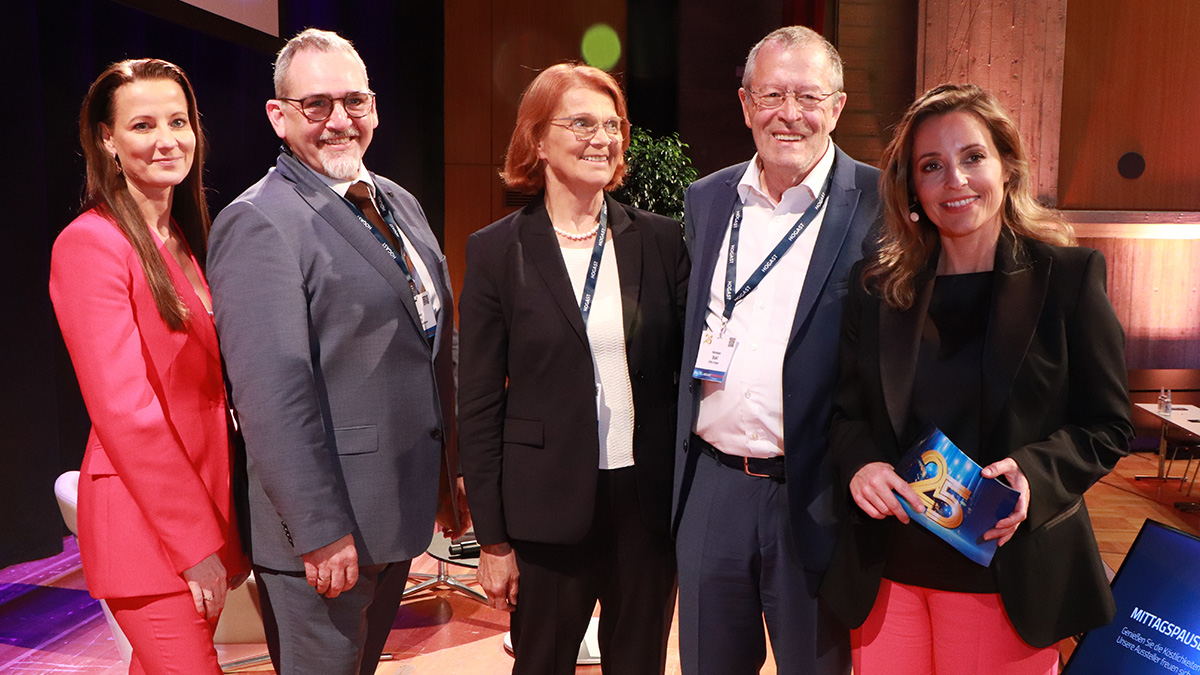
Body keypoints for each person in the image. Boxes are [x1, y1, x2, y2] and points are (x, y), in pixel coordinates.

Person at [819, 83, 1133, 675]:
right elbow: (848, 415)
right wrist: (861, 465)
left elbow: (1108, 424)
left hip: (1006, 577)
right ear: (912, 189)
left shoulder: (1068, 279)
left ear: (1007, 166)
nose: (955, 180)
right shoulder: (877, 289)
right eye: (931, 166)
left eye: (972, 157)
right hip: (889, 575)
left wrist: (1034, 476)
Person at [206, 29, 464, 675]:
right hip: (325, 531)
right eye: (317, 105)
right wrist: (319, 528)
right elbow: (271, 394)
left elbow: (430, 339)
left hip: (391, 509)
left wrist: (448, 477)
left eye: (355, 101)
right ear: (279, 116)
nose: (340, 121)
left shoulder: (396, 201)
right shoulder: (260, 220)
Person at [458, 63, 688, 675]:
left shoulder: (662, 242)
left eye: (612, 125)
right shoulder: (495, 251)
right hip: (545, 504)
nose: (602, 138)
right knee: (542, 664)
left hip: (645, 500)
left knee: (639, 663)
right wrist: (494, 539)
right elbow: (478, 404)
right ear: (537, 139)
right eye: (581, 123)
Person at [672, 25, 880, 675]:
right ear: (744, 104)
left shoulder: (883, 204)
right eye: (771, 95)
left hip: (817, 495)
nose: (789, 114)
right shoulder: (707, 200)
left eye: (808, 96)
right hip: (712, 488)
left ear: (838, 107)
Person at [49, 58, 247, 674]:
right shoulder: (92, 242)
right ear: (106, 139)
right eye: (142, 125)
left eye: (179, 121)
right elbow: (125, 410)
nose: (168, 140)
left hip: (204, 508)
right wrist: (193, 545)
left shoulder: (180, 237)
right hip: (151, 527)